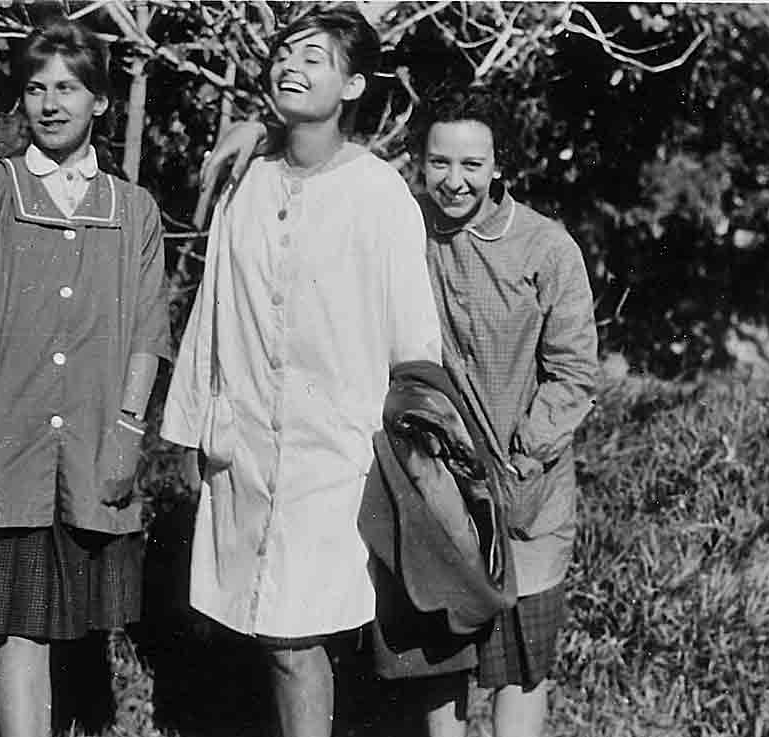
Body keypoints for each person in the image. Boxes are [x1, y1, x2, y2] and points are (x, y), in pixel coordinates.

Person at [201, 83, 599, 736]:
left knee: (520, 665)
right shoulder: (399, 223)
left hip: (527, 492)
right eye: (439, 162)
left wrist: (517, 463)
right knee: (440, 658)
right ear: (420, 161)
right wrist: (261, 130)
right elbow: (326, 156)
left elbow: (575, 373)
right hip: (433, 487)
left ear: (500, 164)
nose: (454, 180)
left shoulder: (546, 249)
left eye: (472, 164)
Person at [160, 5, 442, 737]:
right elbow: (214, 310)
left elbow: (414, 339)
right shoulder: (248, 184)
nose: (291, 65)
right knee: (270, 631)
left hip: (338, 455)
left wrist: (414, 453)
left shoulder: (379, 193)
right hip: (247, 444)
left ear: (353, 85)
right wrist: (192, 431)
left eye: (315, 58)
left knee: (294, 636)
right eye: (285, 52)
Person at [0, 19, 170, 737]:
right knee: (18, 627)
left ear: (100, 100)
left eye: (68, 88)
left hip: (94, 446)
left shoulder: (133, 208)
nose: (51, 103)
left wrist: (127, 428)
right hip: (9, 451)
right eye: (36, 89)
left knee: (78, 632)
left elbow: (148, 328)